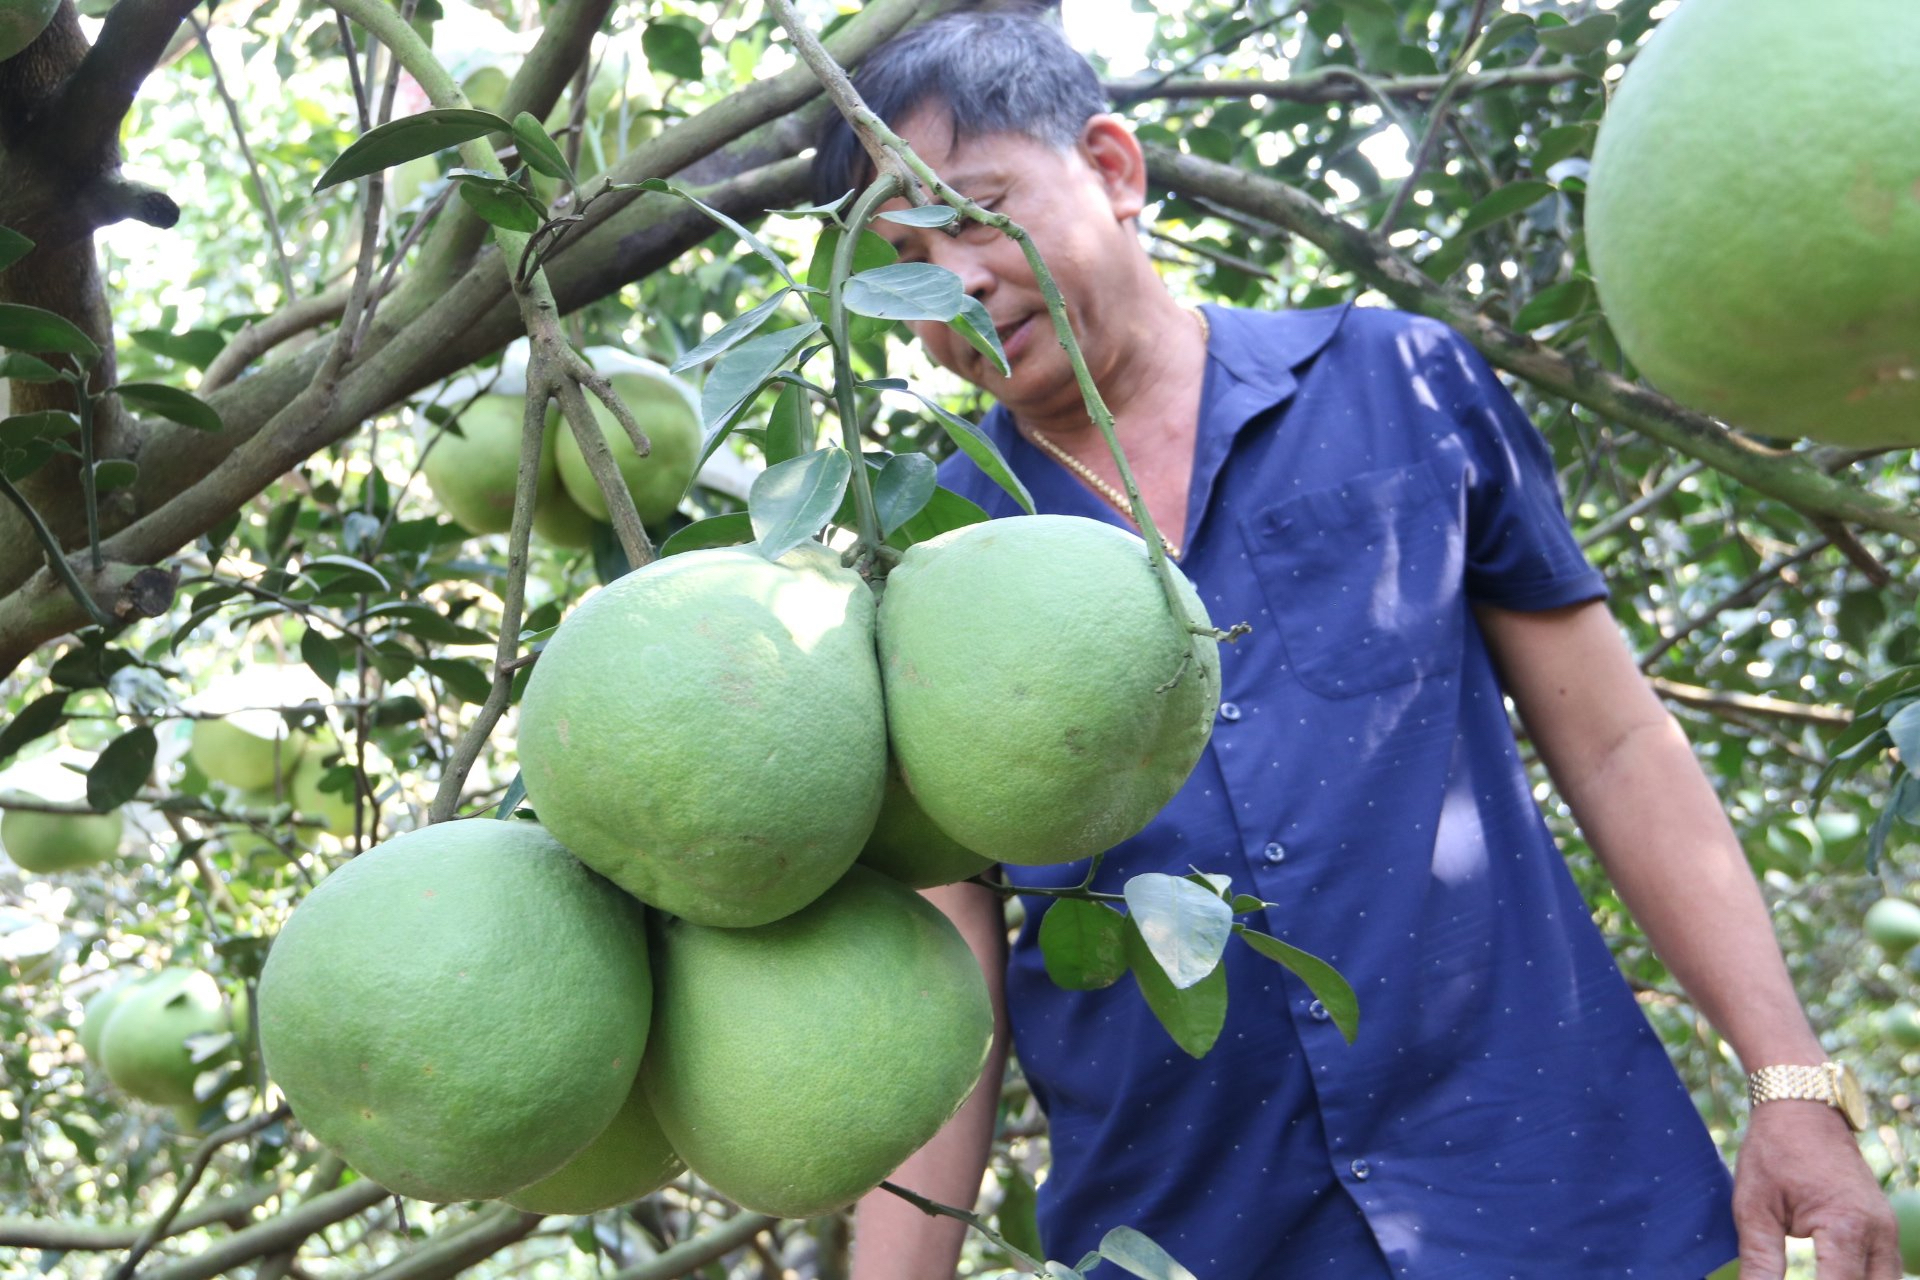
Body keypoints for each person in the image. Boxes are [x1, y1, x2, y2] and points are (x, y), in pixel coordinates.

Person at [809, 12, 1899, 1279]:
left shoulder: (1401, 384)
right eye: (898, 261)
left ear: (1112, 168)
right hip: (1195, 1232)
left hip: (1551, 1195)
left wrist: (1793, 1080)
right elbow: (955, 969)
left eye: (974, 213)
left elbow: (1614, 744)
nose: (955, 284)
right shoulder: (927, 554)